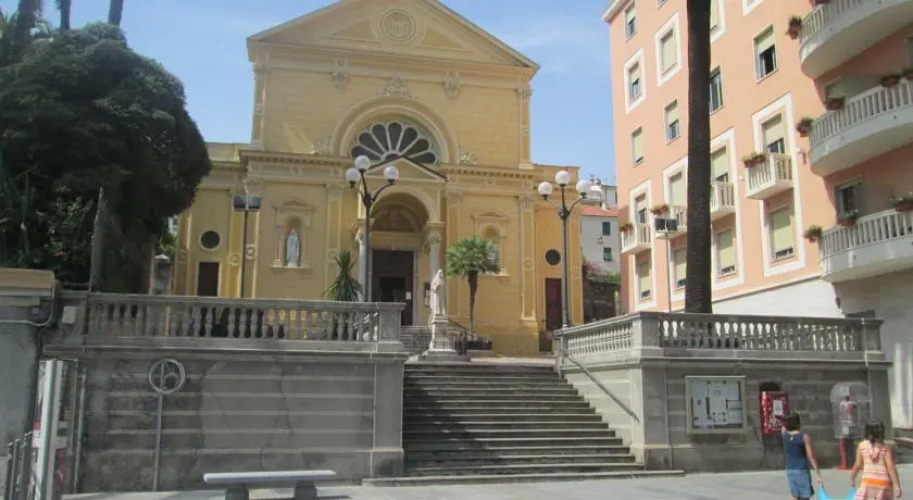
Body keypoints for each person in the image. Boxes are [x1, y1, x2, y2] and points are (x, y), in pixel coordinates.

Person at [851, 420, 902, 499]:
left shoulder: (861, 446)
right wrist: (896, 485)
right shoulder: (885, 448)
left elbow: (857, 465)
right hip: (884, 483)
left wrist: (852, 478)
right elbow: (891, 467)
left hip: (868, 482)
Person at [782, 412, 824, 500]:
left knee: (795, 496)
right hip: (802, 471)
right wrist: (818, 474)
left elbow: (784, 427)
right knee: (804, 497)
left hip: (790, 471)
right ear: (798, 423)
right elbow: (812, 458)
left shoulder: (784, 435)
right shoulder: (804, 437)